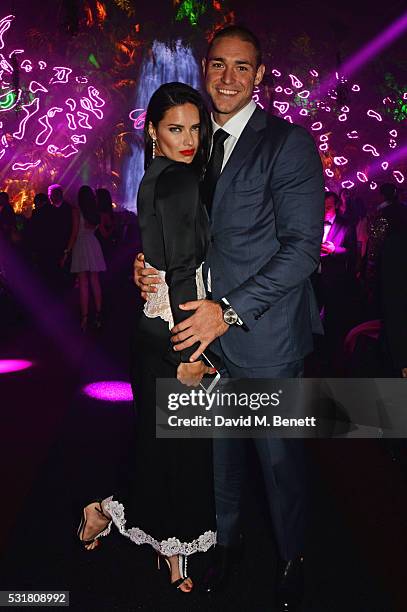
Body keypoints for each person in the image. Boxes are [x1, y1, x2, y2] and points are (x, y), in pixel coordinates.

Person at [135, 25, 324, 611]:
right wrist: (150, 268)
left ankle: (293, 559)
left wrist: (230, 311)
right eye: (218, 64)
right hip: (204, 341)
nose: (228, 77)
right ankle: (227, 548)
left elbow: (302, 249)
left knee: (277, 463)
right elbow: (187, 236)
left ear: (260, 75)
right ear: (206, 69)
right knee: (219, 462)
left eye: (242, 67)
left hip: (264, 338)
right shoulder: (196, 141)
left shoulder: (286, 144)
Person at [77, 83, 216, 593]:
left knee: (161, 446)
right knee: (176, 450)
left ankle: (159, 542)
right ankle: (131, 527)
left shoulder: (155, 178)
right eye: (175, 128)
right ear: (154, 132)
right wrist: (191, 349)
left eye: (195, 128)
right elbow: (180, 269)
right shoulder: (179, 180)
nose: (188, 139)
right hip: (173, 331)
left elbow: (161, 255)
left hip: (152, 329)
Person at [313, 191, 357, 373]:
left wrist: (334, 250)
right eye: (322, 207)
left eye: (329, 207)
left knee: (332, 320)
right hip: (313, 277)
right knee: (312, 315)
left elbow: (352, 252)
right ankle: (313, 353)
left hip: (334, 279)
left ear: (337, 205)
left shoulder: (346, 224)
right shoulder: (313, 221)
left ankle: (329, 358)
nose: (325, 211)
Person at [62, 186, 106, 331]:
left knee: (83, 284)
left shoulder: (77, 211)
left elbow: (74, 234)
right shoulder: (94, 212)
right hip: (93, 244)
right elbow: (102, 232)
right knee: (95, 281)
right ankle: (99, 315)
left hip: (81, 245)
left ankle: (85, 318)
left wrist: (66, 253)